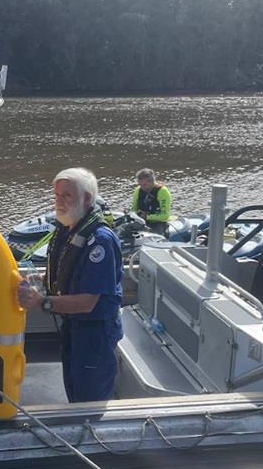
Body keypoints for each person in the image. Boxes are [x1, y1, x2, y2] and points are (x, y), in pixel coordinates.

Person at [17, 168, 123, 403]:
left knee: (90, 400)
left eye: (66, 196)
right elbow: (64, 269)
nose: (59, 202)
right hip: (72, 329)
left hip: (94, 334)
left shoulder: (101, 241)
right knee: (75, 391)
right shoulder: (67, 230)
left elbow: (87, 302)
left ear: (86, 198)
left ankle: (91, 438)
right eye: (56, 196)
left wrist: (41, 301)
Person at [131, 168, 172, 236]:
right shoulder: (138, 190)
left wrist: (147, 217)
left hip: (158, 223)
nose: (142, 187)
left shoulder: (162, 192)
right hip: (142, 222)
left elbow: (165, 216)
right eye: (140, 185)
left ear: (152, 182)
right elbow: (133, 209)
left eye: (144, 184)